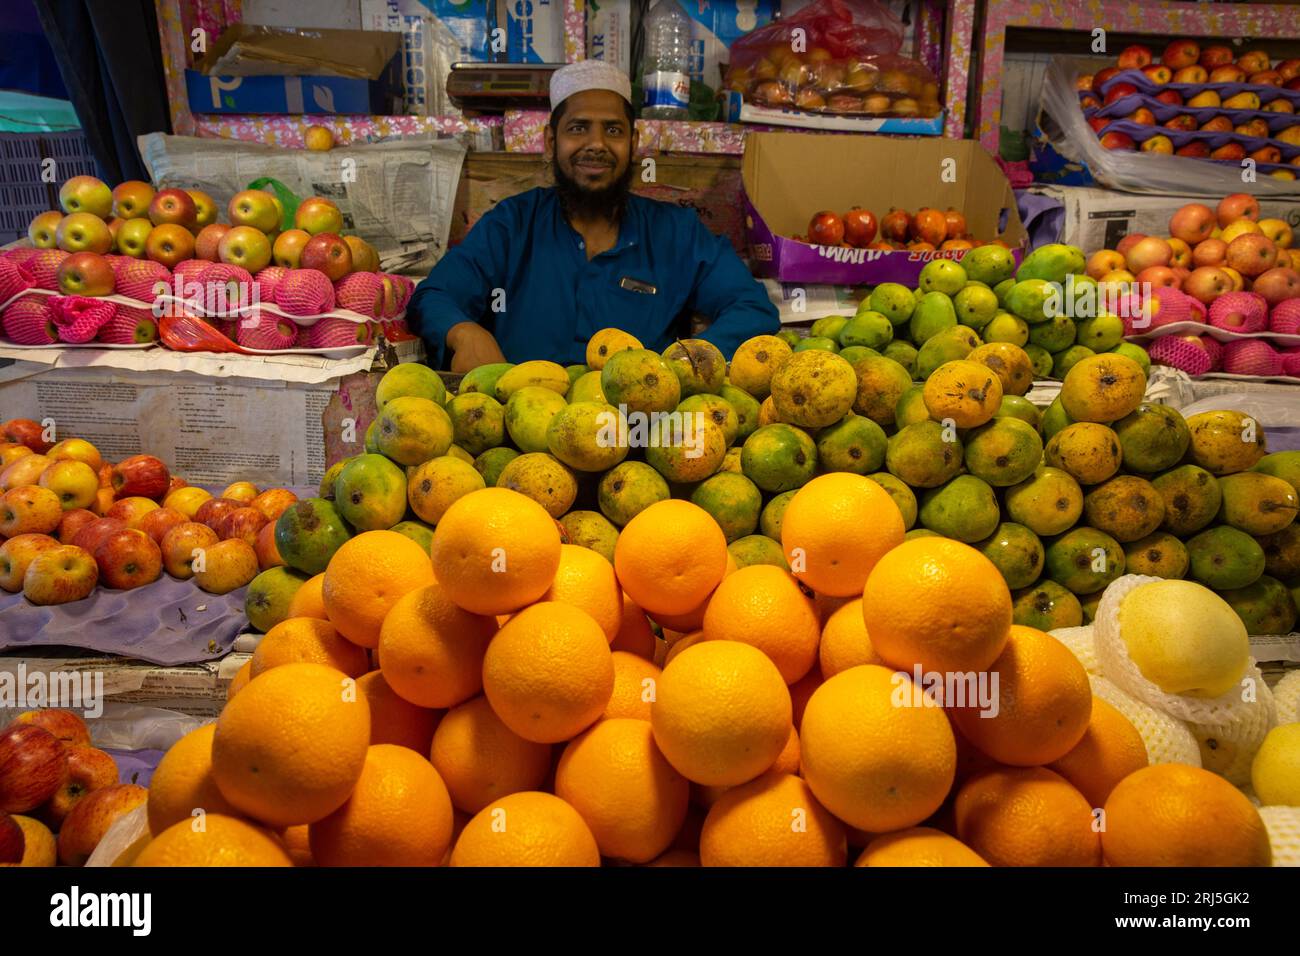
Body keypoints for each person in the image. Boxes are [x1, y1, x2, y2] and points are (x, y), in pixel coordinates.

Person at [406, 60, 780, 372]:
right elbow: (435, 296)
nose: (596, 145)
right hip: (518, 433)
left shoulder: (677, 233)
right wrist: (466, 333)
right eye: (578, 128)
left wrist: (683, 365)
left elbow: (752, 309)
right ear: (552, 142)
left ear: (633, 145)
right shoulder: (513, 224)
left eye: (613, 130)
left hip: (641, 438)